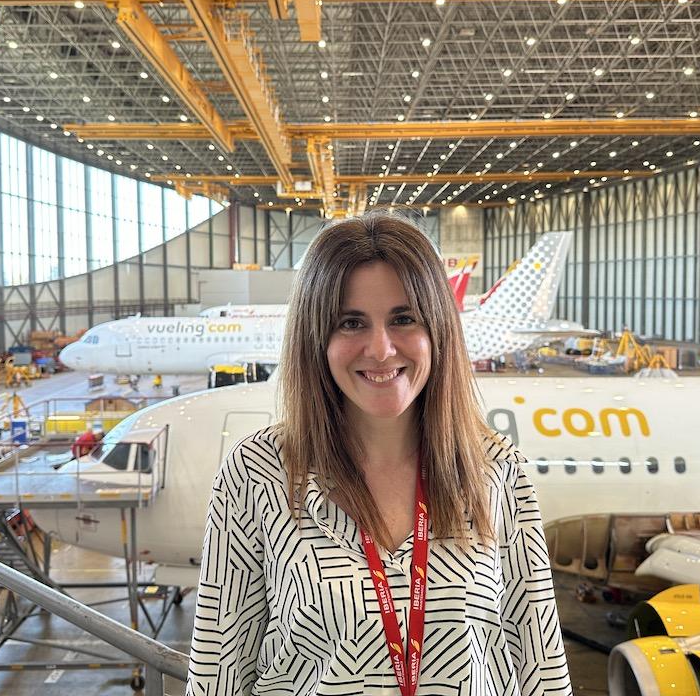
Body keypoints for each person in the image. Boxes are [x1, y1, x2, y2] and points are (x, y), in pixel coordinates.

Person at [187, 212, 572, 695]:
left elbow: (541, 665)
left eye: (403, 319)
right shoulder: (258, 473)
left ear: (438, 329)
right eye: (351, 323)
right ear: (316, 338)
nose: (382, 349)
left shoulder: (496, 469)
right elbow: (218, 670)